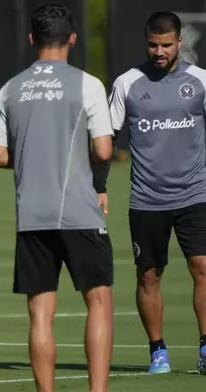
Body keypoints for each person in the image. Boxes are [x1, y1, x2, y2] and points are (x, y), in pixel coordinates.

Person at [0, 4, 114, 392]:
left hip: (32, 215)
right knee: (99, 302)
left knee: (40, 314)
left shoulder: (12, 87)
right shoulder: (87, 83)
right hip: (79, 212)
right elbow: (105, 150)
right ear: (73, 39)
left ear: (31, 39)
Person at [109, 11, 206, 375]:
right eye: (153, 44)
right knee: (149, 275)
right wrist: (98, 187)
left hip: (196, 194)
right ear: (146, 42)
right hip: (147, 199)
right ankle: (157, 351)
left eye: (166, 45)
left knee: (202, 267)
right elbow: (106, 139)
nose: (159, 51)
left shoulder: (200, 81)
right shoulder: (127, 83)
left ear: (180, 43)